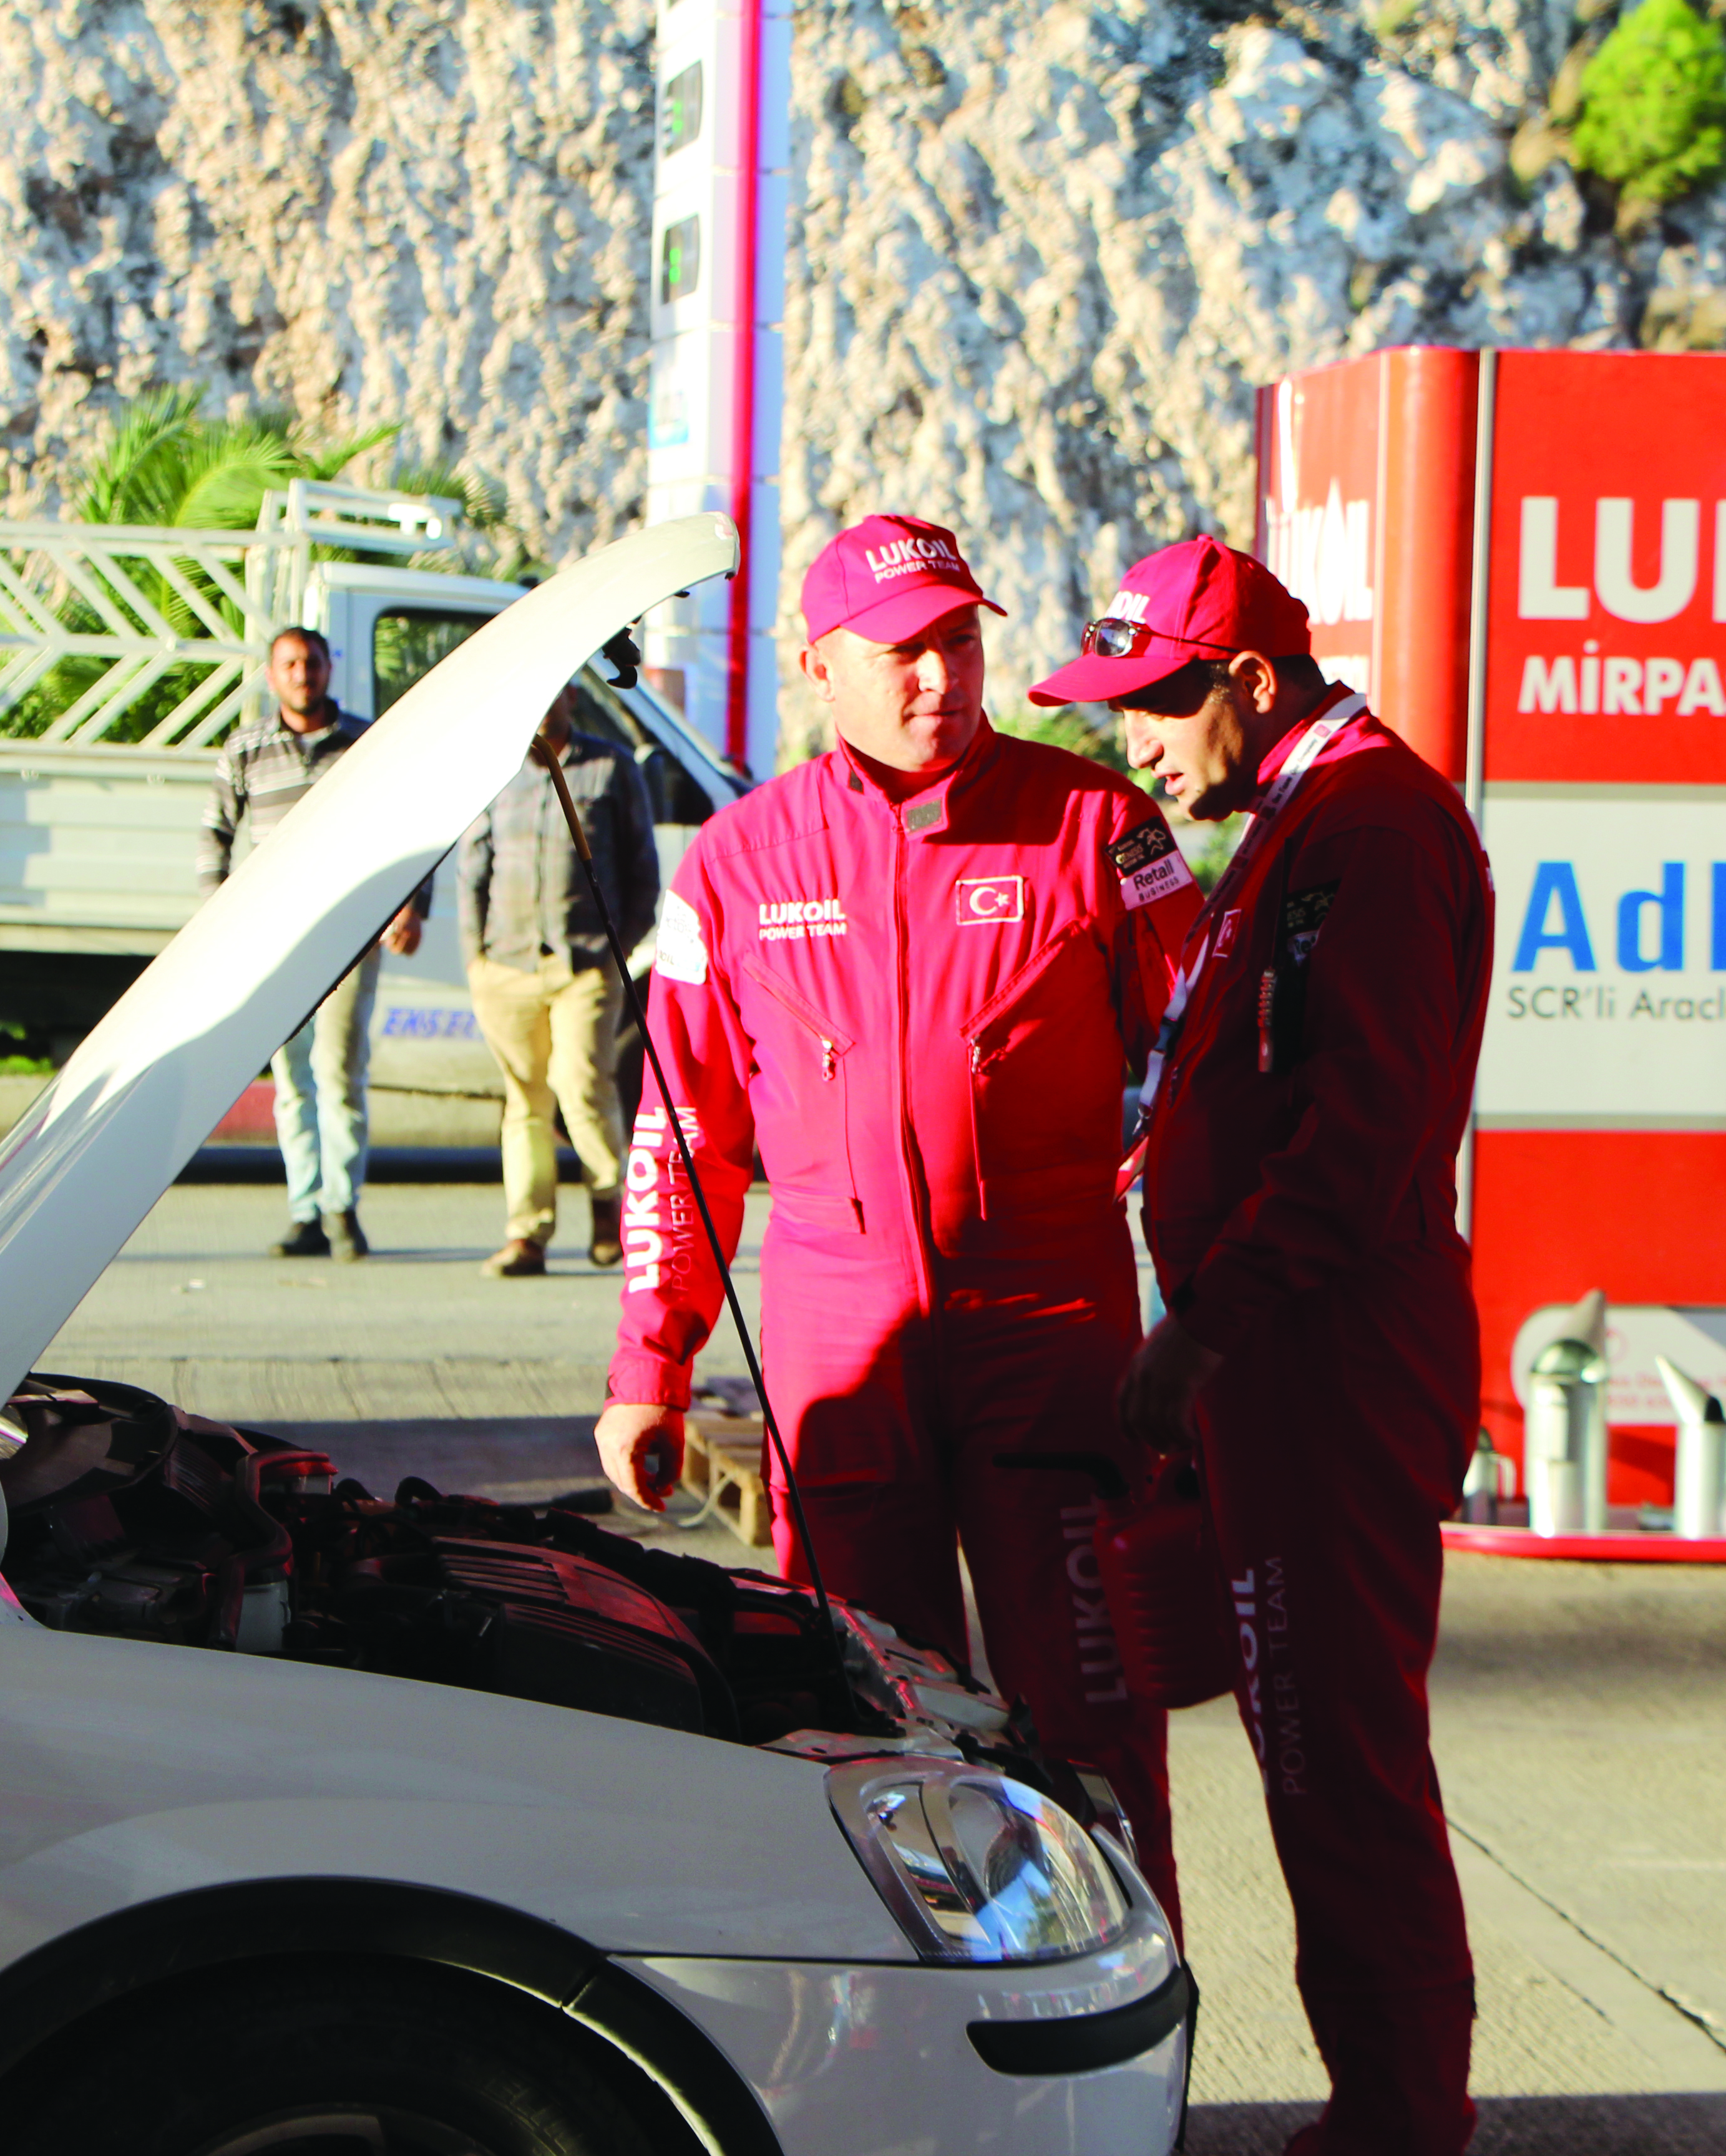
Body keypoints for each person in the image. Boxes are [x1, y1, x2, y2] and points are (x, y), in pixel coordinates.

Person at [592, 513, 1206, 1915]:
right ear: (818, 666)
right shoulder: (737, 862)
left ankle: (1128, 2027)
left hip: (1052, 1331)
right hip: (838, 1342)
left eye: (961, 641)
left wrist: (1206, 1314)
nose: (941, 678)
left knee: (1095, 1726)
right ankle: (902, 2049)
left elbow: (1202, 1070)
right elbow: (682, 1135)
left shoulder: (1101, 825)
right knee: (863, 1726)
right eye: (903, 653)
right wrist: (654, 1362)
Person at [1050, 536, 1491, 2156]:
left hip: (1325, 1361)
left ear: (1249, 680)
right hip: (1289, 1362)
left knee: (1338, 1757)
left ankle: (1397, 2121)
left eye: (1156, 706)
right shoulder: (1309, 820)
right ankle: (1383, 2107)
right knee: (1311, 1751)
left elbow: (1357, 1141)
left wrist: (1206, 1329)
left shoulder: (1367, 830)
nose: (1133, 745)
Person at [200, 626, 424, 1261]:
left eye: (313, 663)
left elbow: (414, 826)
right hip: (274, 943)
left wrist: (411, 903)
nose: (303, 674)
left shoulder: (365, 743)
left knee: (339, 1073)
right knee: (292, 1079)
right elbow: (214, 835)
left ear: (331, 669)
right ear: (272, 676)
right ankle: (303, 1209)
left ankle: (341, 1207)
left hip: (349, 936)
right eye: (291, 664)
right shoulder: (245, 749)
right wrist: (219, 920)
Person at [456, 684, 661, 1278]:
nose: (544, 703)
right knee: (524, 1100)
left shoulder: (611, 767)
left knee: (581, 1084)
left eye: (555, 691)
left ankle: (606, 1204)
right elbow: (474, 870)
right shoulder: (493, 771)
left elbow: (643, 869)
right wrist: (476, 958)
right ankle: (528, 1234)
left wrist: (619, 946)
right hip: (507, 965)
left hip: (585, 964)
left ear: (573, 695)